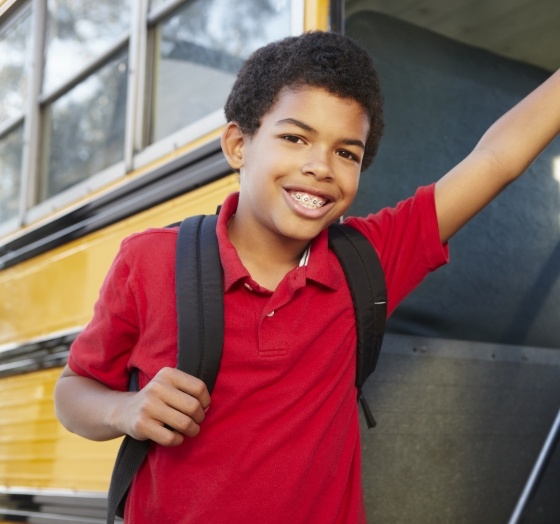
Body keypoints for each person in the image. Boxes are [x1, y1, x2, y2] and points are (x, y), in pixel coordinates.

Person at [54, 31, 560, 523]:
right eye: (295, 137)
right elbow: (73, 392)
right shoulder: (149, 262)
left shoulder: (368, 260)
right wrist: (127, 410)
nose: (321, 166)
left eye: (347, 153)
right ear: (237, 144)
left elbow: (496, 160)